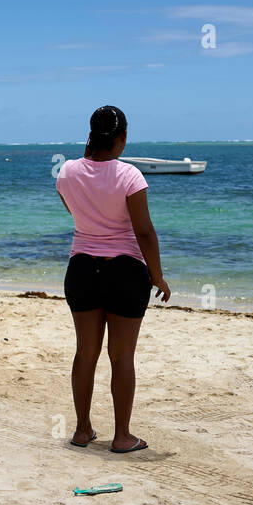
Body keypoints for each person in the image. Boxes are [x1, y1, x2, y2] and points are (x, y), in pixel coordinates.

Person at [56, 105, 170, 453]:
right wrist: (158, 276)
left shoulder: (66, 172)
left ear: (91, 135)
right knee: (121, 357)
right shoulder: (130, 175)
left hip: (82, 269)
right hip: (125, 270)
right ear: (122, 137)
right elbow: (145, 232)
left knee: (84, 354)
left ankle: (81, 430)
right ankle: (122, 437)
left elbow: (75, 212)